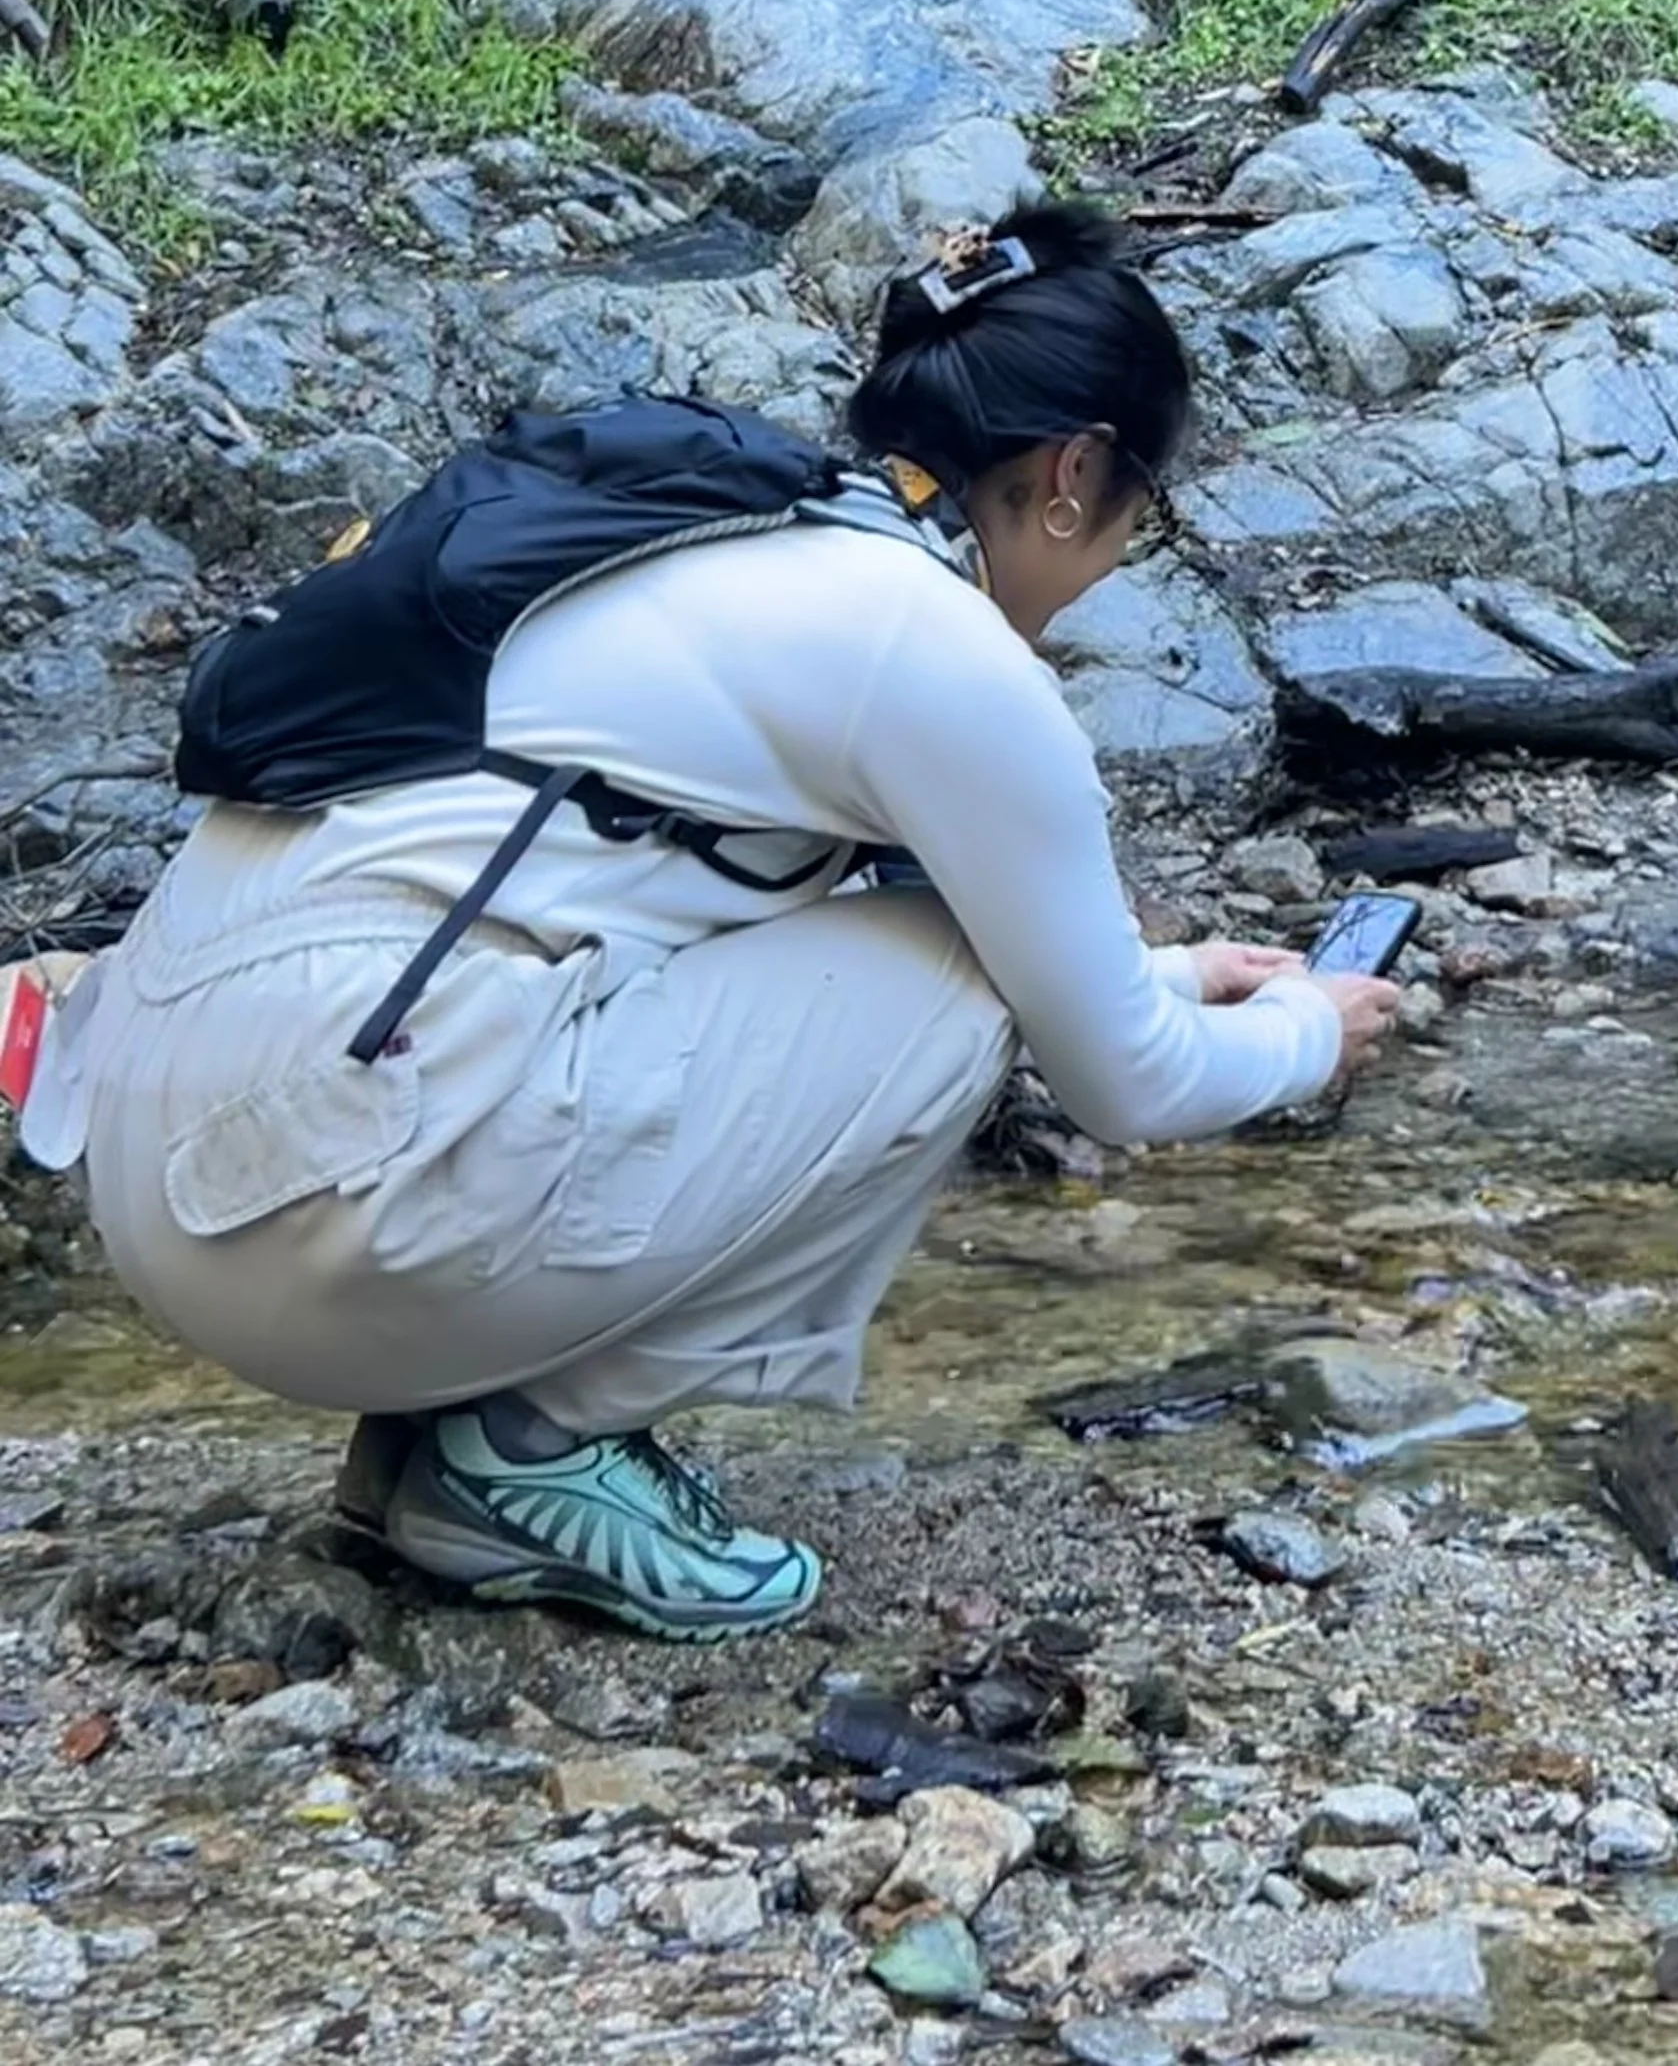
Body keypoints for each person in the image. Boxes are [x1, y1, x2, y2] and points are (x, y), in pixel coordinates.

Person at [26, 198, 1397, 1638]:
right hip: (288, 1209)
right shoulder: (932, 650)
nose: (1120, 556)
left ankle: (438, 1451)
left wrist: (1166, 971)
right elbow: (1126, 1085)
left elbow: (673, 928)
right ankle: (530, 1451)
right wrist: (1311, 1030)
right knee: (953, 994)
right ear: (1072, 475)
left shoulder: (754, 535)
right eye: (1139, 515)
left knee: (930, 953)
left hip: (184, 1156)